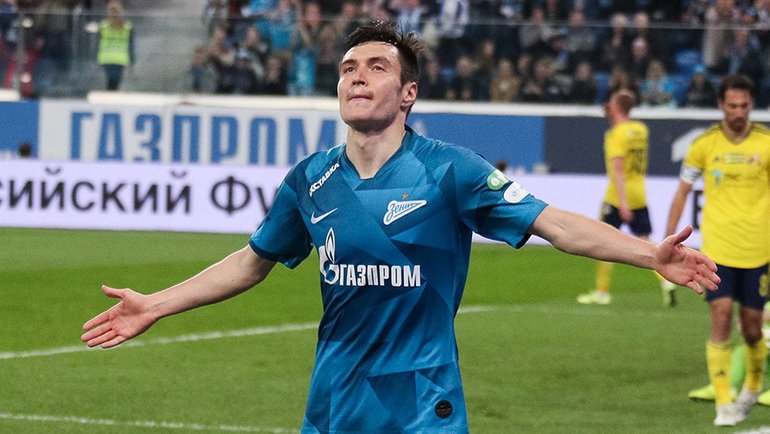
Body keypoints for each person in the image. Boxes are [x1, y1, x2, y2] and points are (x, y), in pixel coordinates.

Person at [82, 22, 720, 433]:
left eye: (376, 66)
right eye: (347, 67)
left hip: (420, 401)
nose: (357, 75)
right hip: (333, 399)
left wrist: (649, 254)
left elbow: (553, 223)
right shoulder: (310, 179)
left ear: (408, 93)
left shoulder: (450, 170)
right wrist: (156, 304)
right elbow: (253, 261)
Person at [665, 74, 770, 427]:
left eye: (744, 106)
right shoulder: (704, 144)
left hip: (759, 251)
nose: (739, 112)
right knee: (721, 315)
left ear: (751, 105)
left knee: (752, 328)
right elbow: (682, 192)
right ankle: (724, 403)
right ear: (720, 105)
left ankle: (753, 385)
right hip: (718, 249)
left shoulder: (766, 143)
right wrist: (667, 240)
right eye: (732, 105)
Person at [577, 88, 677, 307]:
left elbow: (618, 170)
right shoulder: (640, 130)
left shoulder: (615, 135)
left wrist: (622, 203)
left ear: (616, 107)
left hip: (617, 196)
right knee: (646, 242)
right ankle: (666, 281)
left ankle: (602, 292)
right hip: (639, 192)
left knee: (601, 240)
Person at [96, 0, 134, 91]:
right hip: (120, 58)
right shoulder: (127, 26)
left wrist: (96, 59)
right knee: (115, 83)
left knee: (111, 82)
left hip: (106, 57)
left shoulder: (103, 25)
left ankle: (109, 97)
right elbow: (131, 45)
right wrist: (132, 61)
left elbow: (97, 43)